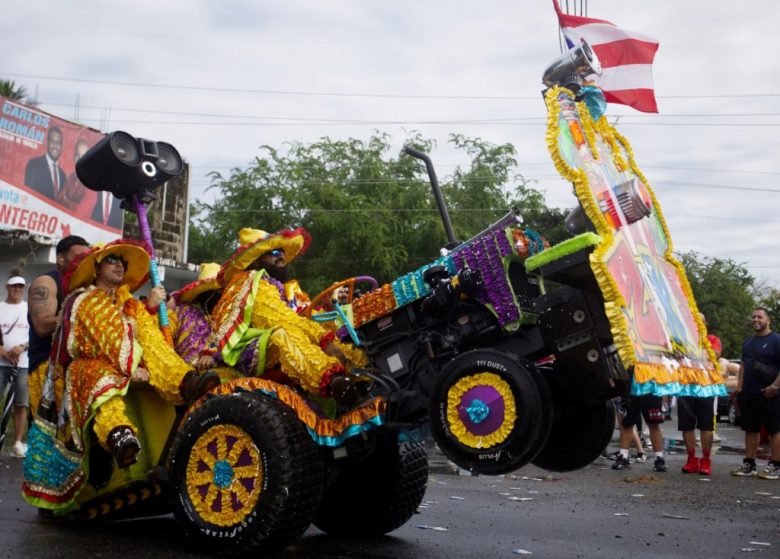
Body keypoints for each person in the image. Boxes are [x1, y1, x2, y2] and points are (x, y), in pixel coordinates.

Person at [44, 240, 219, 468]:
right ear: (96, 267)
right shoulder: (85, 299)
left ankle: (185, 382)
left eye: (123, 262)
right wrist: (130, 367)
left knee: (155, 347)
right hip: (88, 368)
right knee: (99, 373)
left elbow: (150, 340)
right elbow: (107, 340)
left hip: (125, 364)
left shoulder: (129, 304)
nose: (119, 266)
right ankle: (119, 435)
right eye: (112, 260)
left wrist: (152, 313)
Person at [211, 227, 368, 405]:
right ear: (255, 261)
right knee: (284, 334)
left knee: (339, 341)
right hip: (248, 352)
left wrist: (329, 310)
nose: (282, 256)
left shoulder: (278, 286)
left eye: (283, 252)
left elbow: (304, 317)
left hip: (280, 335)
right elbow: (279, 320)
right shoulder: (251, 280)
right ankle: (335, 381)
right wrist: (325, 341)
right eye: (274, 252)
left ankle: (366, 375)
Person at [26, 235, 90, 413]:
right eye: (78, 257)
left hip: (76, 372)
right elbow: (42, 326)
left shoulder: (86, 286)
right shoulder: (46, 283)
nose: (83, 261)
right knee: (45, 434)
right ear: (61, 259)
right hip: (46, 369)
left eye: (86, 257)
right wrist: (83, 315)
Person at [731, 308, 780, 479]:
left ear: (769, 320)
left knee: (775, 429)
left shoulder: (776, 340)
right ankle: (749, 464)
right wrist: (739, 386)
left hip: (770, 392)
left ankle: (776, 466)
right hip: (749, 392)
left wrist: (774, 387)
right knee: (750, 428)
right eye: (753, 317)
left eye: (760, 316)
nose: (756, 319)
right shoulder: (748, 342)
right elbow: (743, 365)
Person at [677, 314, 720, 476]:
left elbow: (712, 356)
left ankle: (706, 460)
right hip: (686, 386)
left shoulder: (712, 339)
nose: (696, 324)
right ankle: (691, 459)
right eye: (693, 320)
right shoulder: (681, 340)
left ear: (705, 324)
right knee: (686, 425)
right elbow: (675, 358)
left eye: (700, 321)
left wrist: (695, 348)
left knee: (706, 426)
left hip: (706, 387)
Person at [0, 270, 30, 458]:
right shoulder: (0, 307)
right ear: (7, 287)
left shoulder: (29, 308)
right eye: (14, 286)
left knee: (21, 404)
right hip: (1, 362)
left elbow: (37, 335)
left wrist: (22, 347)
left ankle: (17, 443)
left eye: (21, 286)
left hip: (23, 362)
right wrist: (3, 352)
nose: (18, 289)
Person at [612, 395, 667, 472]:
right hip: (630, 390)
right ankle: (623, 457)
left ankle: (659, 459)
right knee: (627, 423)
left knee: (654, 423)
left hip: (650, 388)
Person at [24, 126, 67, 200]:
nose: (55, 146)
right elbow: (27, 196)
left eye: (58, 143)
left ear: (62, 146)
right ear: (47, 142)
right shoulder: (34, 165)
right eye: (52, 141)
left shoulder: (63, 176)